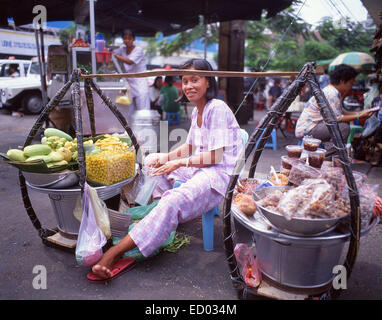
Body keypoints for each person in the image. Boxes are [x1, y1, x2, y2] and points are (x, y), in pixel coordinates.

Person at [89, 58, 244, 281]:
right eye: (185, 80)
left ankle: (114, 253)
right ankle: (160, 225)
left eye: (195, 80)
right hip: (202, 168)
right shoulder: (196, 111)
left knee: (171, 200)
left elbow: (215, 156)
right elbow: (190, 146)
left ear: (208, 81)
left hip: (219, 175)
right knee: (155, 169)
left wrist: (180, 162)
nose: (189, 86)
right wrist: (165, 158)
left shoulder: (216, 108)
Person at [295, 64, 375, 154]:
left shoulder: (332, 91)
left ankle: (330, 155)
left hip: (310, 128)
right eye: (351, 82)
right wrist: (360, 115)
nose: (353, 84)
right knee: (343, 128)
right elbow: (336, 118)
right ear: (342, 81)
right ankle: (329, 157)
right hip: (307, 129)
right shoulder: (331, 93)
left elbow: (342, 112)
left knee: (342, 125)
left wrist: (361, 113)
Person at [113, 29, 150, 110]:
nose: (127, 40)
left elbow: (130, 62)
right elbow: (112, 51)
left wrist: (116, 56)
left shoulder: (138, 50)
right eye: (125, 38)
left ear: (133, 39)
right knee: (130, 109)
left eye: (129, 38)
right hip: (130, 83)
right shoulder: (122, 50)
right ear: (122, 39)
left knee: (142, 108)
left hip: (140, 82)